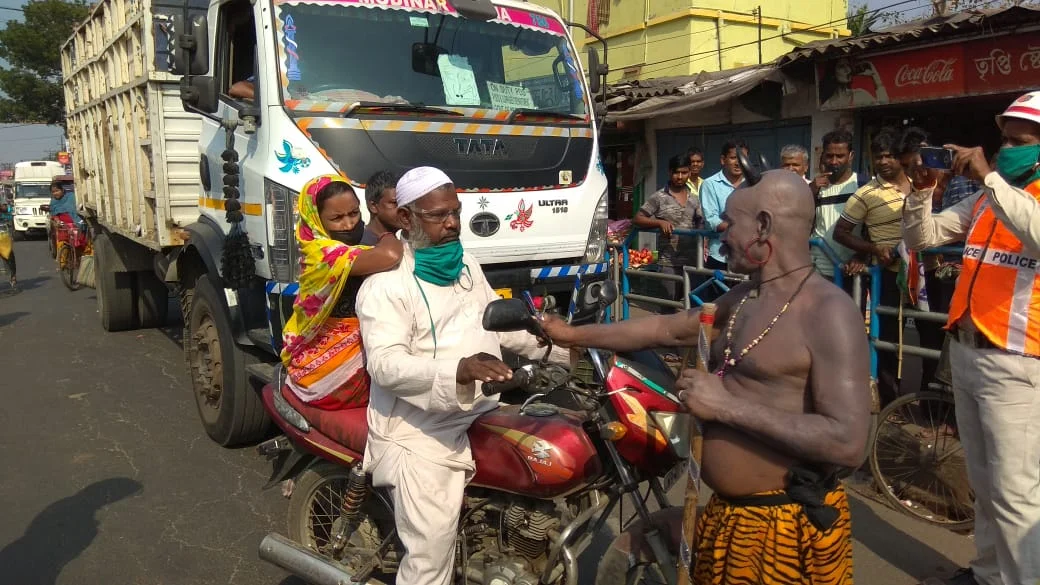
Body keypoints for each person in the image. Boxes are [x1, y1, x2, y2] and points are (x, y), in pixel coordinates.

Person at [545, 170, 869, 585]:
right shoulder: (746, 296)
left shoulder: (828, 311)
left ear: (764, 226)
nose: (721, 232)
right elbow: (667, 329)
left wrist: (726, 407)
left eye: (731, 223)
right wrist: (570, 334)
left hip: (782, 534)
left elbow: (847, 442)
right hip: (731, 521)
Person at [355, 166, 569, 585]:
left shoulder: (467, 265)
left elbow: (496, 321)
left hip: (484, 407)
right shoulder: (384, 287)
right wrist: (457, 370)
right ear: (406, 218)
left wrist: (562, 345)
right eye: (438, 215)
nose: (452, 223)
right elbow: (384, 365)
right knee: (431, 554)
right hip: (418, 430)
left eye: (455, 211)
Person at [904, 91, 1040, 585]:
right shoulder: (991, 197)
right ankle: (987, 574)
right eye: (1003, 138)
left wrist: (989, 177)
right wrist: (922, 191)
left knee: (1016, 493)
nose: (1005, 149)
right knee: (984, 483)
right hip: (967, 350)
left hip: (1018, 360)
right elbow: (924, 237)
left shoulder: (1008, 192)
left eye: (1019, 141)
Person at [280, 174, 403, 408]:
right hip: (325, 371)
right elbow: (389, 256)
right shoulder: (322, 253)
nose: (348, 224)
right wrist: (386, 232)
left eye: (354, 213)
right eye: (336, 218)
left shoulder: (360, 242)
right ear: (316, 219)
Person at [833, 128, 912, 406]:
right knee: (888, 337)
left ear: (902, 158)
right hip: (887, 275)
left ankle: (930, 404)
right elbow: (841, 232)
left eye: (890, 155)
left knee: (930, 335)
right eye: (878, 156)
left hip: (924, 275)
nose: (883, 161)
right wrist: (873, 249)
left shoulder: (923, 183)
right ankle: (890, 400)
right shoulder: (865, 194)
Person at [633, 154, 703, 312]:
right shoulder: (659, 197)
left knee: (693, 307)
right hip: (668, 262)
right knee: (668, 307)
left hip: (692, 261)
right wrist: (659, 222)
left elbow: (701, 221)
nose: (680, 177)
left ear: (689, 173)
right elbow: (637, 218)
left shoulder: (694, 199)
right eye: (676, 173)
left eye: (684, 173)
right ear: (670, 172)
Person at [810, 130, 863, 286]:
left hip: (852, 271)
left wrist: (861, 256)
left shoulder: (863, 185)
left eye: (840, 156)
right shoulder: (815, 187)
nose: (834, 161)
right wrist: (810, 191)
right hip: (819, 270)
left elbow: (872, 230)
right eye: (829, 155)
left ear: (851, 156)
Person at [701, 139, 749, 270]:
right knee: (719, 290)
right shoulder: (710, 184)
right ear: (723, 160)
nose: (738, 163)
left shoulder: (754, 184)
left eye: (743, 158)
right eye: (734, 158)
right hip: (720, 255)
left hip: (749, 254)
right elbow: (711, 220)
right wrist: (741, 226)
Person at [361, 169, 401, 245]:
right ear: (373, 206)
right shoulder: (365, 249)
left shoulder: (396, 243)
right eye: (394, 203)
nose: (403, 208)